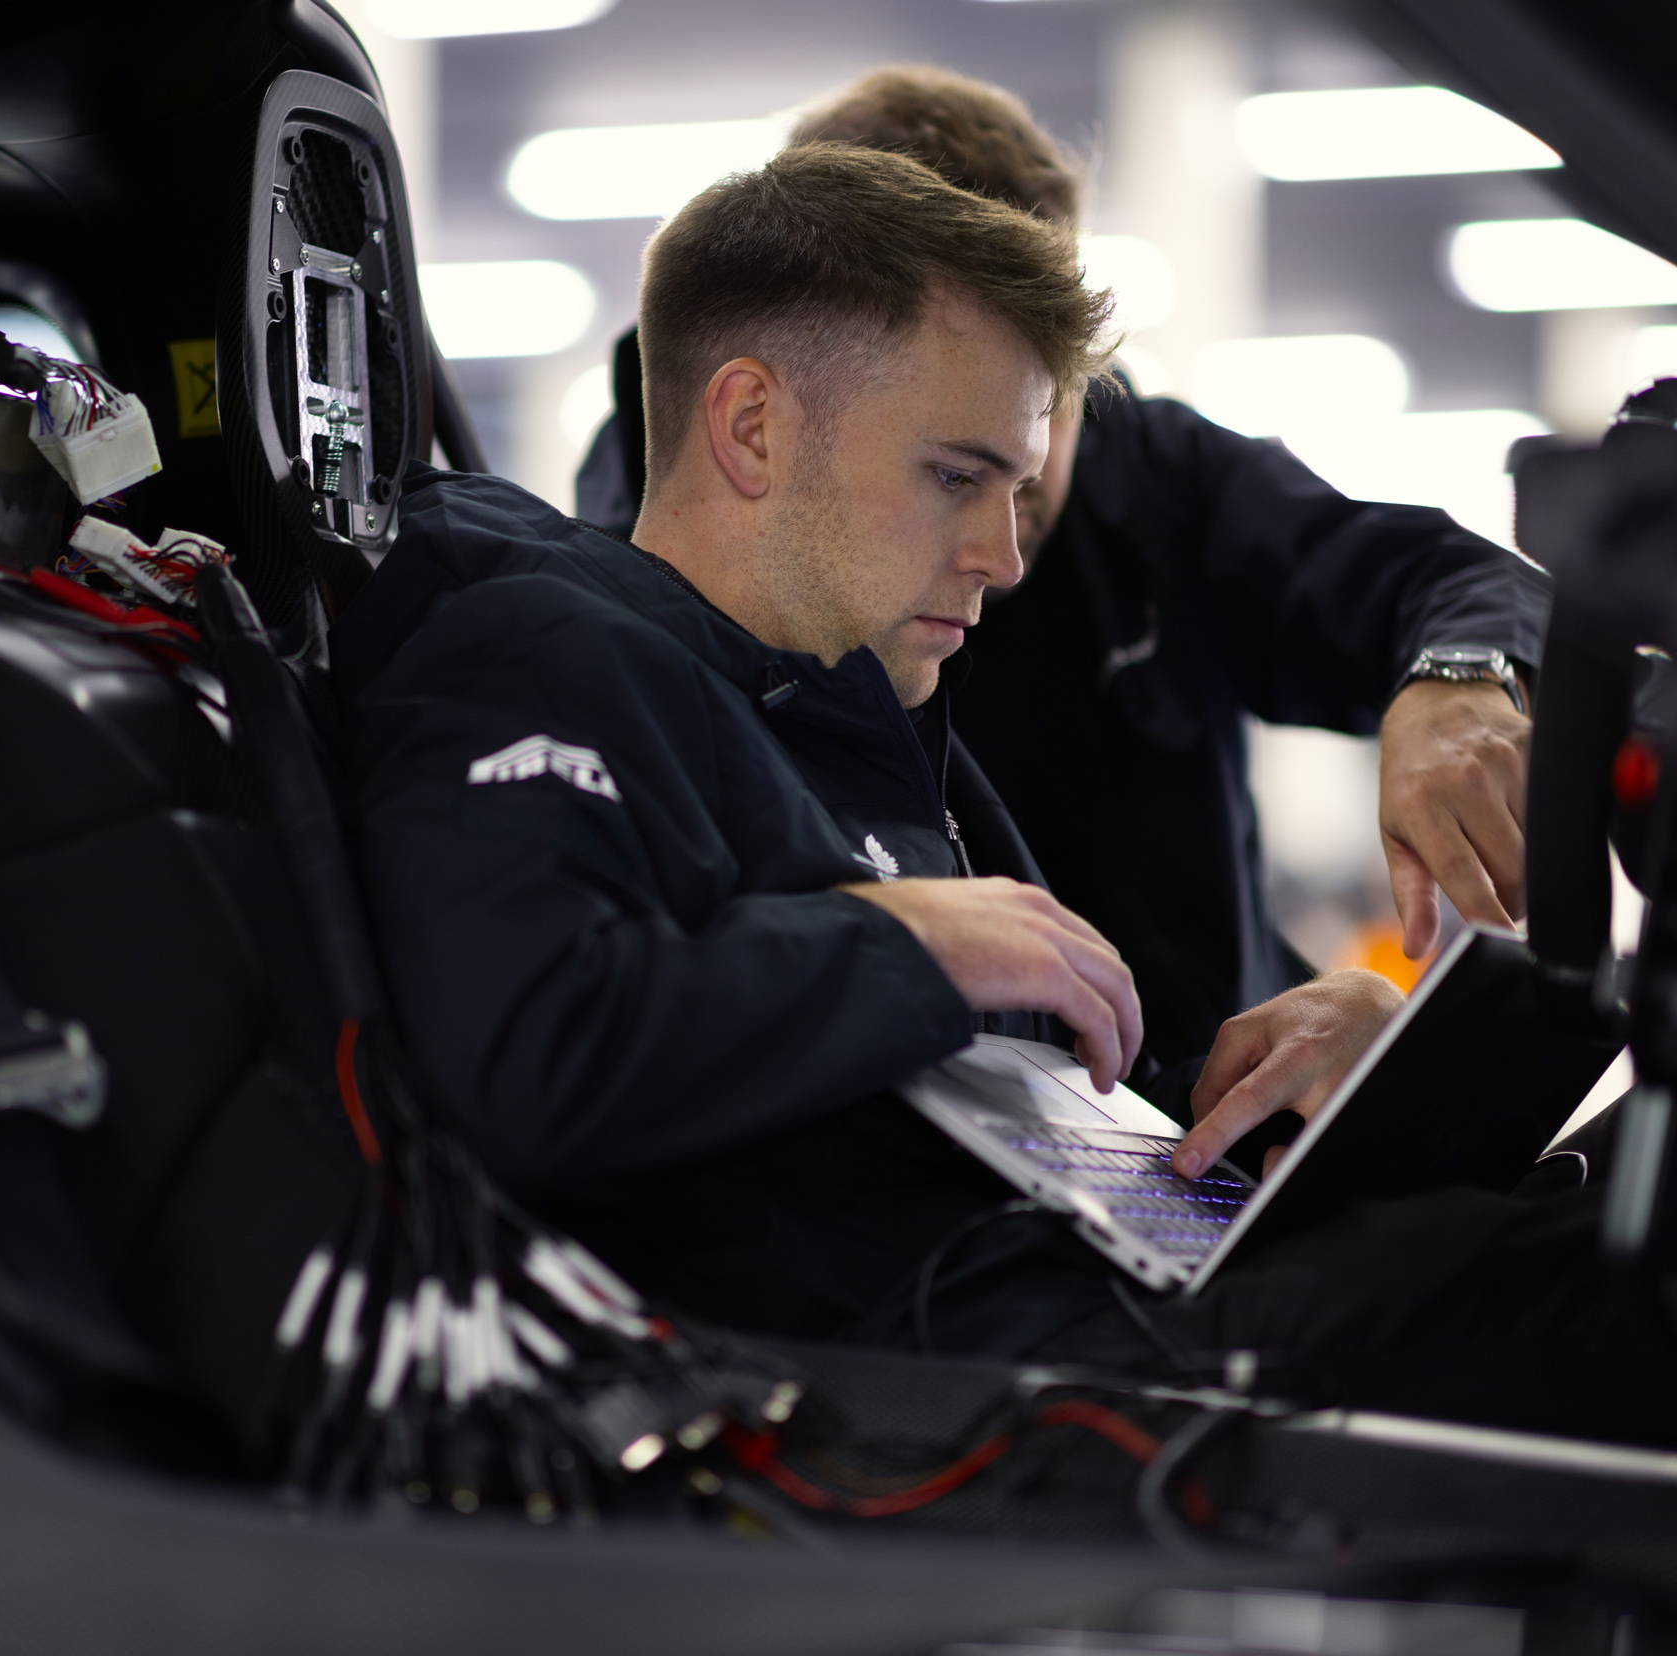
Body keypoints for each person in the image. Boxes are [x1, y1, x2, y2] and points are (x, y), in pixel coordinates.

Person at [339, 146, 1677, 1447]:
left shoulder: (861, 709)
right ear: (750, 425)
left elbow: (998, 1104)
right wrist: (907, 942)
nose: (1003, 555)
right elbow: (525, 1049)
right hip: (944, 1384)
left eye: (1018, 488)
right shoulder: (544, 651)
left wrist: (1302, 1094)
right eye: (956, 477)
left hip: (1114, 1302)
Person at [576, 66, 1549, 1078]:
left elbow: (1445, 579)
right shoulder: (657, 552)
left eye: (1049, 393)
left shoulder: (1157, 481)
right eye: (954, 460)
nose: (1002, 533)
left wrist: (1461, 676)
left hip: (1179, 1130)